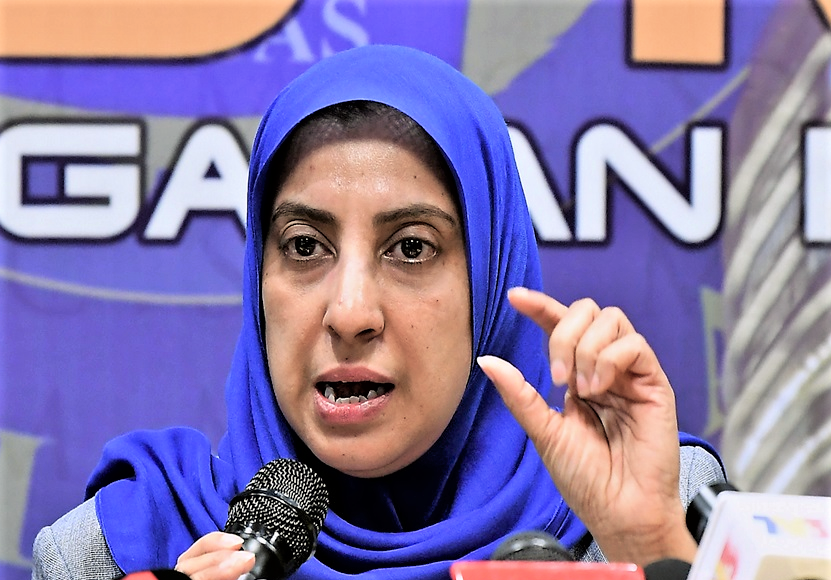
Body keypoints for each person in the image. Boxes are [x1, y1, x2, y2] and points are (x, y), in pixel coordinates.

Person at [32, 44, 725, 580]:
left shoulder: (654, 511)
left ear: (489, 283)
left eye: (411, 248)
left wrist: (650, 545)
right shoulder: (125, 548)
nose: (350, 312)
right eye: (304, 246)